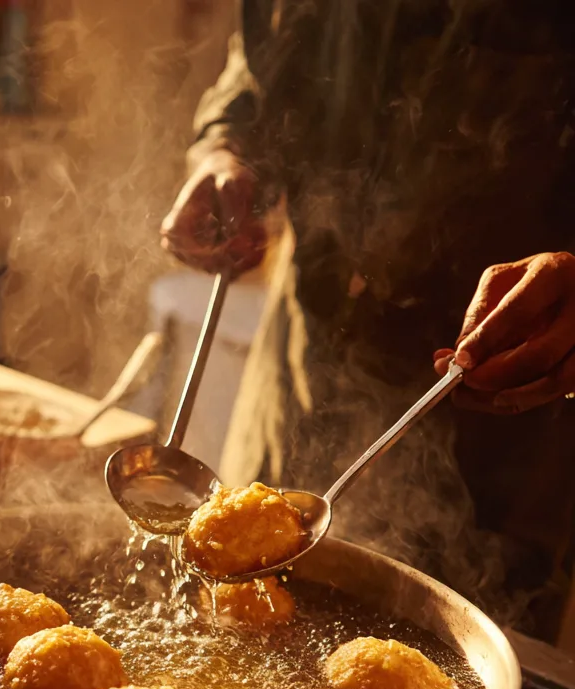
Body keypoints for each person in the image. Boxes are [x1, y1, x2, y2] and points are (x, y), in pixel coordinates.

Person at [161, 2, 575, 638]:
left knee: (458, 687)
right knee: (230, 627)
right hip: (297, 377)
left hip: (500, 427)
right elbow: (258, 59)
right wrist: (224, 148)